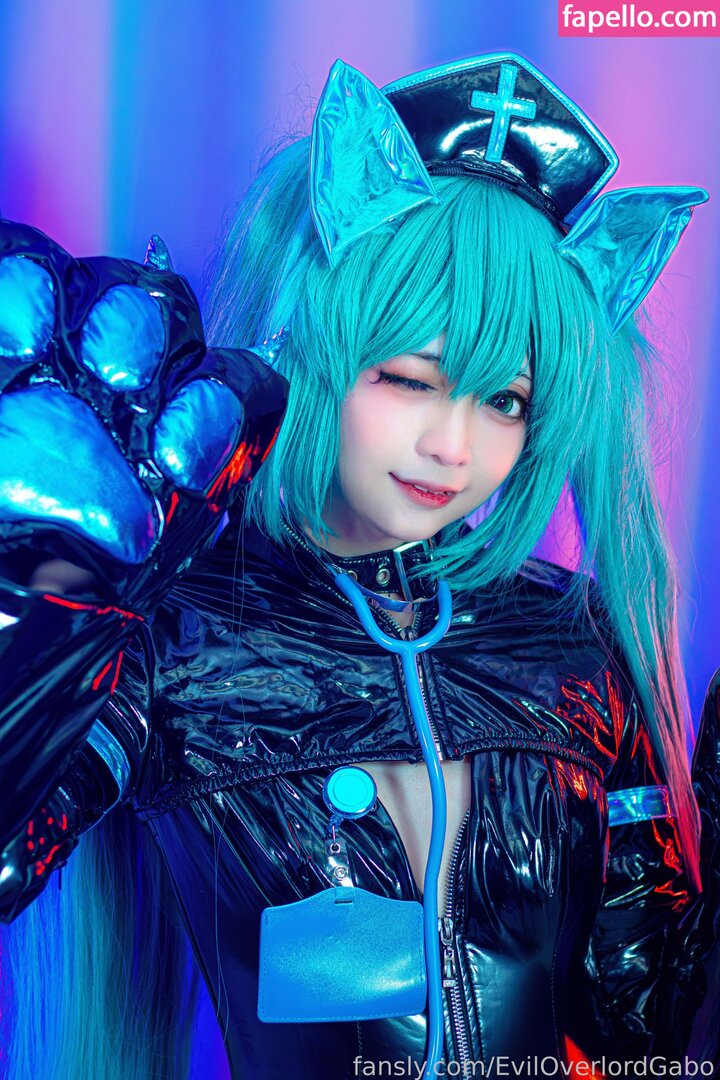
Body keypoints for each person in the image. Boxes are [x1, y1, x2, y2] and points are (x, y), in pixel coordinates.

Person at [0, 53, 717, 1079]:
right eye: (409, 378)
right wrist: (38, 617)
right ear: (311, 343)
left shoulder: (572, 639)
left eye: (503, 401)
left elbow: (650, 1022)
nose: (453, 447)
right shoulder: (181, 632)